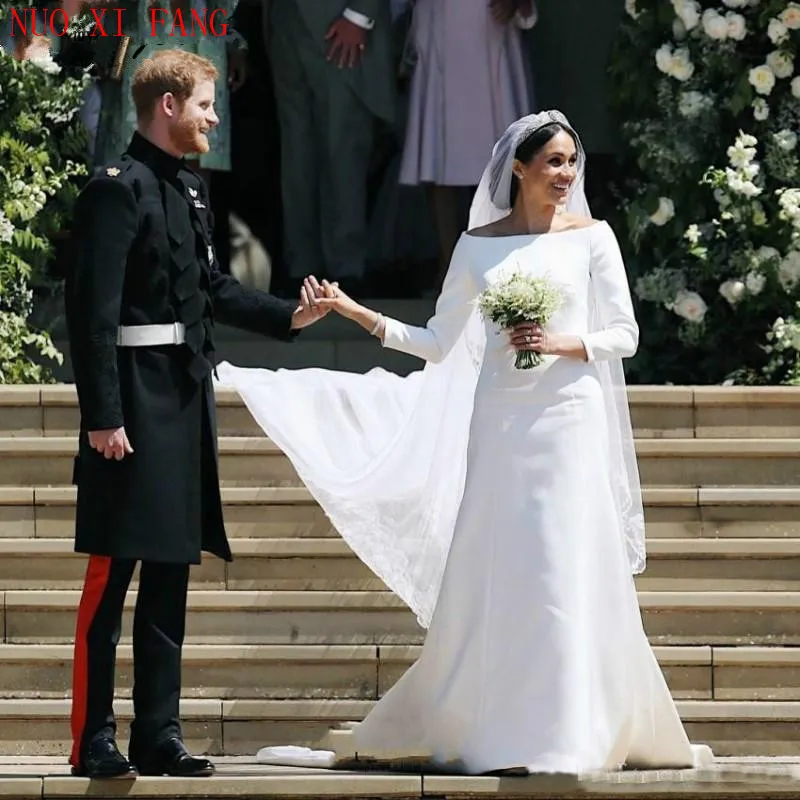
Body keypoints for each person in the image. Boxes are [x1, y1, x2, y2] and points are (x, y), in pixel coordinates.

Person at [215, 110, 714, 775]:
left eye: (572, 161)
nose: (566, 175)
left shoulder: (594, 239)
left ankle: (573, 727)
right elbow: (439, 343)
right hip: (501, 420)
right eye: (553, 162)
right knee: (510, 563)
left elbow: (624, 335)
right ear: (519, 168)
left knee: (567, 559)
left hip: (569, 416)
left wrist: (565, 342)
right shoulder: (478, 246)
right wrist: (355, 310)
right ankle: (504, 721)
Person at [64, 48, 328, 780]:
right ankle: (93, 738)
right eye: (206, 104)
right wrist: (103, 416)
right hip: (131, 402)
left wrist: (289, 316)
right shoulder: (116, 190)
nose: (215, 116)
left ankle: (158, 733)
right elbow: (94, 315)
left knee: (170, 574)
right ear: (169, 105)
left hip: (183, 396)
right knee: (111, 578)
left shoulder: (189, 189)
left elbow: (208, 287)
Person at [263, 0, 395, 293]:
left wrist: (361, 14)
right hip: (284, 20)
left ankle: (345, 268)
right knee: (296, 155)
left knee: (343, 148)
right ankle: (301, 267)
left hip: (341, 21)